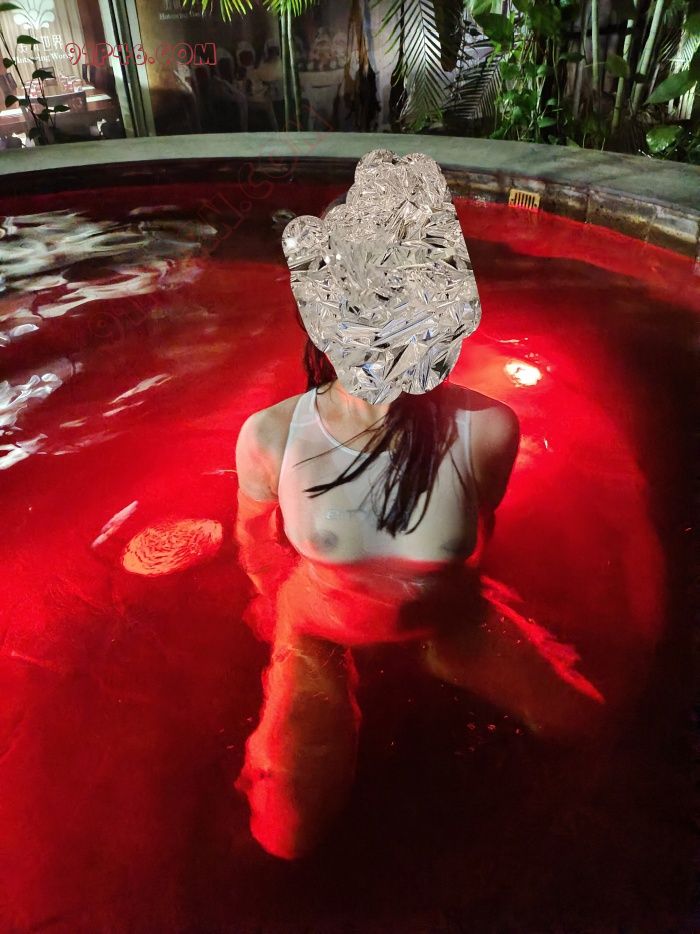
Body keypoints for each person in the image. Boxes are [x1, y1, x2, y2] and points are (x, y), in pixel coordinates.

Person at [234, 150, 605, 860]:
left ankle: (445, 656)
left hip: (452, 619)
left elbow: (478, 536)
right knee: (284, 832)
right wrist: (266, 607)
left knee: (588, 728)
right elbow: (253, 534)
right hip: (319, 626)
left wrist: (466, 612)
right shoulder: (272, 436)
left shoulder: (486, 430)